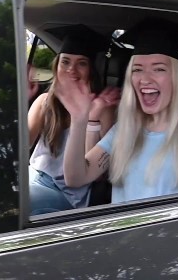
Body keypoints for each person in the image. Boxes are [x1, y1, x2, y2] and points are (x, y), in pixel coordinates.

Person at [60, 19, 178, 204]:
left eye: (158, 69)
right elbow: (75, 178)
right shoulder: (126, 128)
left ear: (177, 77)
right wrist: (79, 120)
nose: (145, 79)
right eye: (137, 69)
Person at [28, 25, 120, 215]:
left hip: (67, 195)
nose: (72, 70)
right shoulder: (45, 102)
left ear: (91, 70)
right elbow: (18, 149)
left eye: (82, 63)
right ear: (57, 65)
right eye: (66, 62)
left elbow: (97, 175)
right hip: (33, 178)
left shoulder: (102, 108)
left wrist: (90, 119)